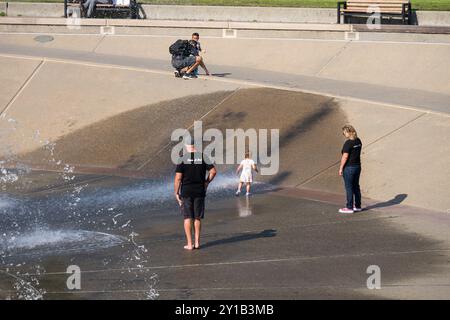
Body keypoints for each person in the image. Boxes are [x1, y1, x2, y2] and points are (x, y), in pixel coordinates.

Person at [174, 140, 217, 250]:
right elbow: (213, 171)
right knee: (197, 217)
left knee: (187, 217)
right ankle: (197, 243)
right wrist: (206, 182)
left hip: (186, 192)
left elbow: (178, 178)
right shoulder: (203, 156)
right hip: (199, 191)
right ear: (195, 146)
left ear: (186, 146)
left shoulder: (183, 158)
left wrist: (176, 192)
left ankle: (190, 244)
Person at [338, 125, 363, 214]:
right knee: (356, 186)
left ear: (348, 132)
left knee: (349, 187)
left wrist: (341, 168)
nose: (343, 134)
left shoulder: (348, 143)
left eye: (344, 133)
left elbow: (345, 157)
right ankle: (358, 206)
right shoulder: (358, 141)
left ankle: (349, 207)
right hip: (357, 167)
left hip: (349, 167)